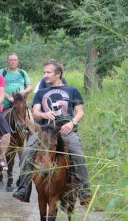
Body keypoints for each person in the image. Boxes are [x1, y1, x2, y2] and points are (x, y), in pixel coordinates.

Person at [12, 59, 92, 206]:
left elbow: (80, 113)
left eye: (48, 72)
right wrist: (43, 115)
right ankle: (23, 188)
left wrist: (71, 123)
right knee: (27, 151)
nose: (45, 75)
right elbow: (35, 112)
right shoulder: (41, 92)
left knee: (78, 154)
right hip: (45, 130)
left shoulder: (72, 90)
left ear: (58, 74)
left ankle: (84, 191)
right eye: (44, 72)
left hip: (65, 129)